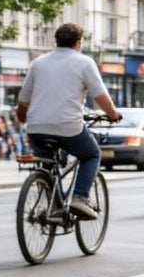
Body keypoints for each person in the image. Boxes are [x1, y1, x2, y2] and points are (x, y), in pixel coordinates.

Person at [16, 23, 122, 220]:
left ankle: (51, 204)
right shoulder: (84, 62)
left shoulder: (38, 63)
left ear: (56, 41)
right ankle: (79, 198)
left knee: (47, 164)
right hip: (68, 128)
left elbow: (23, 100)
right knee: (92, 154)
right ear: (79, 42)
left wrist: (23, 118)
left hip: (37, 128)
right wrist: (113, 113)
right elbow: (99, 95)